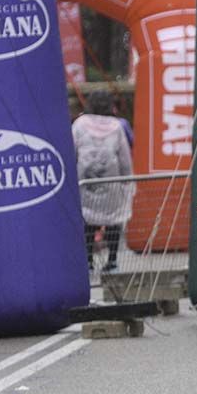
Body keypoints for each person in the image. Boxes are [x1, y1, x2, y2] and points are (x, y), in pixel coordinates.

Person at [72, 90, 135, 273]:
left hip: (86, 183)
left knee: (88, 221)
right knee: (113, 220)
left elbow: (71, 151)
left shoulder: (79, 124)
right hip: (112, 182)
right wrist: (128, 181)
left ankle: (88, 262)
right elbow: (124, 158)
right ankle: (112, 261)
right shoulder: (116, 127)